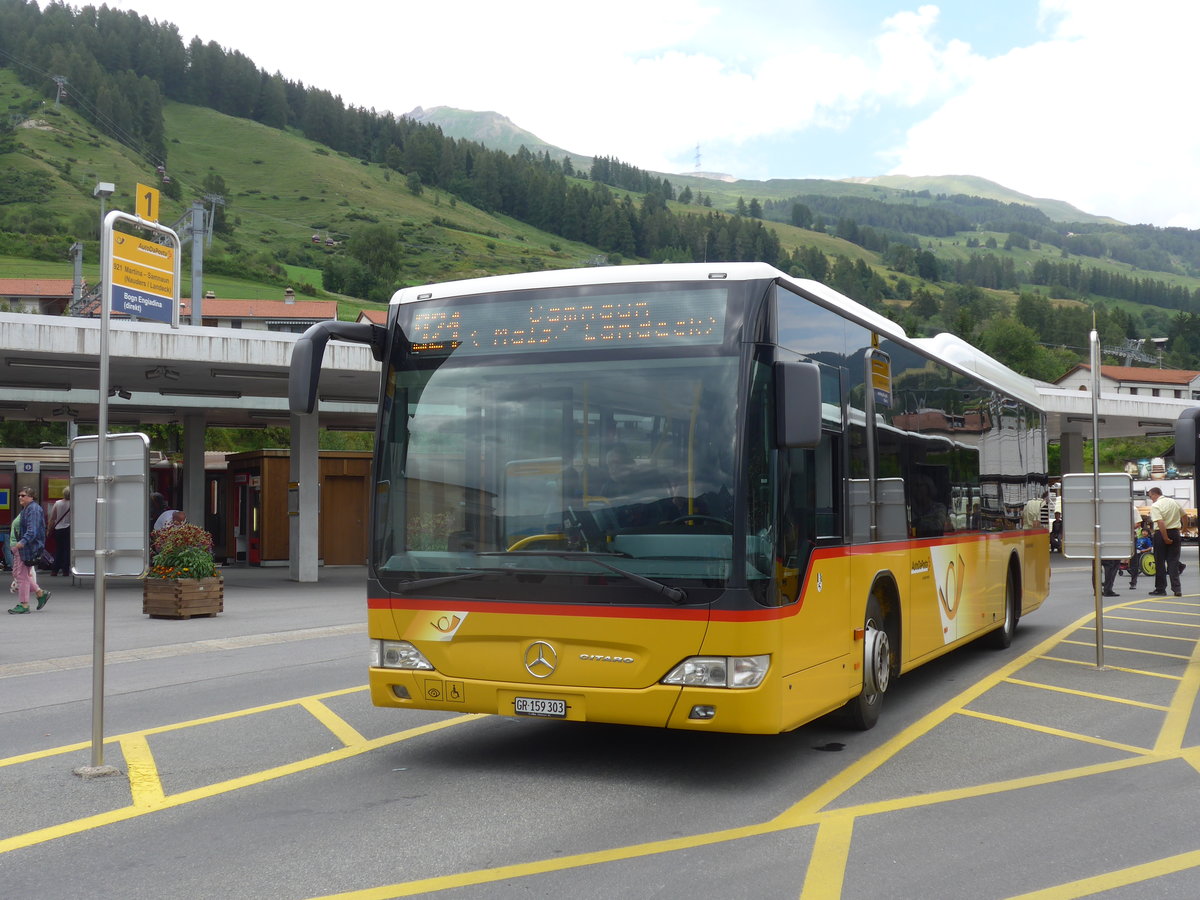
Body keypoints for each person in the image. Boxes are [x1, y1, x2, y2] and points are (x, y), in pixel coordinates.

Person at [9, 486, 50, 614]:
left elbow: (32, 531)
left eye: (23, 495)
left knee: (21, 576)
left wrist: (21, 543)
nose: (20, 497)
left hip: (27, 548)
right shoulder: (27, 509)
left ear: (31, 497)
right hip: (23, 548)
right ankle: (40, 593)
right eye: (19, 495)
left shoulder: (33, 509)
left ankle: (24, 604)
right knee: (20, 575)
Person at [1148, 486, 1184, 597]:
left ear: (1155, 494)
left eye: (1151, 496)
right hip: (1175, 532)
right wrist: (1184, 528)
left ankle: (1160, 588)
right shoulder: (1174, 502)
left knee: (1160, 562)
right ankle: (1177, 589)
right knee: (1173, 561)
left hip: (1161, 534)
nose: (1151, 499)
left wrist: (1165, 537)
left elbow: (1160, 522)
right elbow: (1185, 515)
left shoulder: (1156, 505)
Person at [47, 486, 71, 576]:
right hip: (69, 529)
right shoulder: (74, 503)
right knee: (67, 550)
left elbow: (52, 518)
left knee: (58, 549)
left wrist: (49, 530)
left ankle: (55, 570)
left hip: (58, 529)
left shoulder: (58, 503)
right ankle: (65, 570)